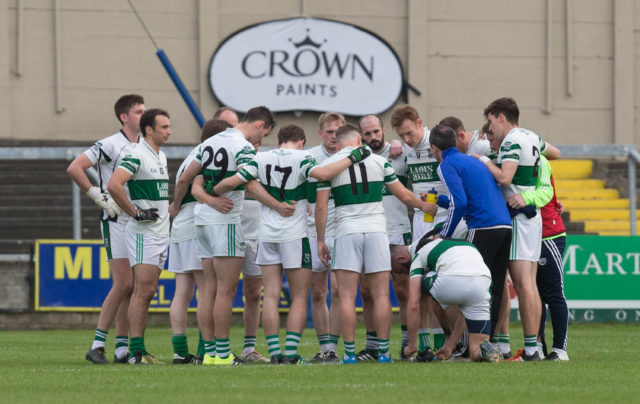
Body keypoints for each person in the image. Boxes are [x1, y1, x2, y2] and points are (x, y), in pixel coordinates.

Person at [214, 124, 370, 364]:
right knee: (299, 296)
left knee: (271, 295)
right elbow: (324, 175)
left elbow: (234, 182)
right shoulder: (304, 157)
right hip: (294, 236)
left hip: (266, 234)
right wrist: (355, 155)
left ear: (279, 142)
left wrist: (214, 189)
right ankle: (290, 354)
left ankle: (275, 353)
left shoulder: (261, 157)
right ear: (301, 142)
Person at [315, 124, 435, 364]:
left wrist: (320, 240)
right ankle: (384, 353)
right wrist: (424, 206)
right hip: (377, 230)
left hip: (347, 230)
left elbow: (321, 206)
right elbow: (403, 195)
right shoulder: (379, 162)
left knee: (347, 296)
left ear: (338, 144)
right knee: (382, 294)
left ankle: (349, 354)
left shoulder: (330, 166)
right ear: (360, 139)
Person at [188, 106, 293, 365]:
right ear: (259, 124)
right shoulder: (243, 147)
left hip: (202, 220)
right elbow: (249, 180)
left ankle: (211, 353)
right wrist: (276, 204)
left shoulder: (208, 142)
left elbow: (189, 179)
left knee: (209, 290)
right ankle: (223, 354)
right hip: (227, 220)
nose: (261, 140)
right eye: (264, 133)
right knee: (226, 291)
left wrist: (198, 197)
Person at [480, 97, 561, 361]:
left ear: (501, 117)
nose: (490, 128)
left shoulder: (514, 140)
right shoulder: (531, 136)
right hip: (532, 217)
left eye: (491, 121)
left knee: (523, 283)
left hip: (517, 216)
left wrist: (484, 161)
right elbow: (556, 153)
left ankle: (529, 350)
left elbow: (504, 178)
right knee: (529, 284)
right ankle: (533, 347)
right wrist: (533, 182)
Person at [66, 94, 145, 364]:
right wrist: (97, 196)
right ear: (124, 117)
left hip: (138, 219)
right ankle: (97, 344)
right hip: (116, 220)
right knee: (123, 282)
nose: (142, 115)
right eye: (138, 111)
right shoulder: (110, 144)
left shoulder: (145, 145)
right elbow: (75, 167)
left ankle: (121, 348)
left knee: (132, 285)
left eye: (145, 111)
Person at [428, 124, 512, 341]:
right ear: (456, 142)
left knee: (475, 286)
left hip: (482, 226)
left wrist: (444, 234)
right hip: (504, 226)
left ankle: (470, 344)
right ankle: (493, 343)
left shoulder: (447, 165)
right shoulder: (471, 160)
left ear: (434, 148)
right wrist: (440, 200)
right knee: (494, 287)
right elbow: (469, 198)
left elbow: (461, 203)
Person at [107, 108, 171, 364]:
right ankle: (135, 352)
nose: (169, 131)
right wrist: (134, 212)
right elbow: (114, 184)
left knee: (149, 290)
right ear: (149, 130)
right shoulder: (136, 154)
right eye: (164, 127)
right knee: (143, 291)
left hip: (161, 232)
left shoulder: (161, 156)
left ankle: (139, 350)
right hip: (144, 234)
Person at [167, 119, 232, 364]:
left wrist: (176, 205)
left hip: (180, 226)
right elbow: (186, 181)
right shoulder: (208, 153)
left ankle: (180, 351)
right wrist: (176, 202)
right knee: (207, 289)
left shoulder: (191, 153)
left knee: (182, 291)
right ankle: (208, 349)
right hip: (195, 222)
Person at [390, 105, 444, 353]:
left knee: (443, 288)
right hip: (420, 224)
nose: (407, 139)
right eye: (402, 135)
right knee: (421, 287)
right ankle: (424, 348)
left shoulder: (439, 143)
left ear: (421, 122)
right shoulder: (405, 151)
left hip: (445, 221)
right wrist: (395, 143)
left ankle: (449, 345)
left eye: (410, 133)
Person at [357, 114, 412, 361]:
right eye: (367, 134)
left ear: (383, 131)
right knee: (367, 291)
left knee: (403, 290)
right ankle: (373, 346)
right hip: (369, 231)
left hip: (397, 229)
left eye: (375, 132)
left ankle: (407, 344)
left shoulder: (401, 154)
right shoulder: (355, 158)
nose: (372, 138)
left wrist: (405, 145)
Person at [399, 237, 502, 363]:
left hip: (449, 283)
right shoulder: (468, 246)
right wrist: (450, 346)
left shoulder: (420, 253)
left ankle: (424, 348)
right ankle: (484, 351)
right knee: (476, 348)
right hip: (482, 283)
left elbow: (413, 305)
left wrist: (411, 345)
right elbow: (466, 312)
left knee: (418, 282)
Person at [306, 112, 345, 363]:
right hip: (313, 231)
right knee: (318, 292)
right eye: (329, 132)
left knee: (339, 290)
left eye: (337, 132)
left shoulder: (352, 156)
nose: (333, 136)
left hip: (342, 230)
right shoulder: (309, 157)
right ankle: (324, 350)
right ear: (320, 133)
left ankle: (332, 347)